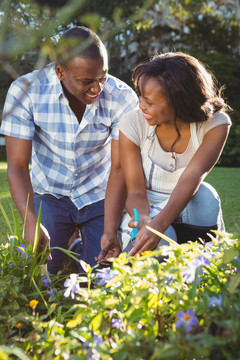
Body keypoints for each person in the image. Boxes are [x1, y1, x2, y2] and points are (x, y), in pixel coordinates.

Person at [0, 26, 138, 274]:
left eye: (102, 77)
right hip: (50, 192)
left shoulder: (122, 97)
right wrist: (31, 221)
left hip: (99, 194)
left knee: (101, 275)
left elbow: (119, 168)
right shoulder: (25, 92)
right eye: (87, 82)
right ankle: (72, 244)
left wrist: (109, 231)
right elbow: (18, 165)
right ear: (60, 71)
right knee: (41, 275)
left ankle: (76, 246)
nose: (97, 89)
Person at [115, 52, 231, 255]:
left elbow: (192, 178)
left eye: (149, 102)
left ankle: (201, 265)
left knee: (206, 197)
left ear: (179, 102)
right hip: (144, 205)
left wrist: (158, 226)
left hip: (185, 201)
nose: (141, 105)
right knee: (163, 242)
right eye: (141, 95)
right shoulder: (132, 122)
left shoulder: (215, 124)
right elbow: (134, 190)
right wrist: (144, 221)